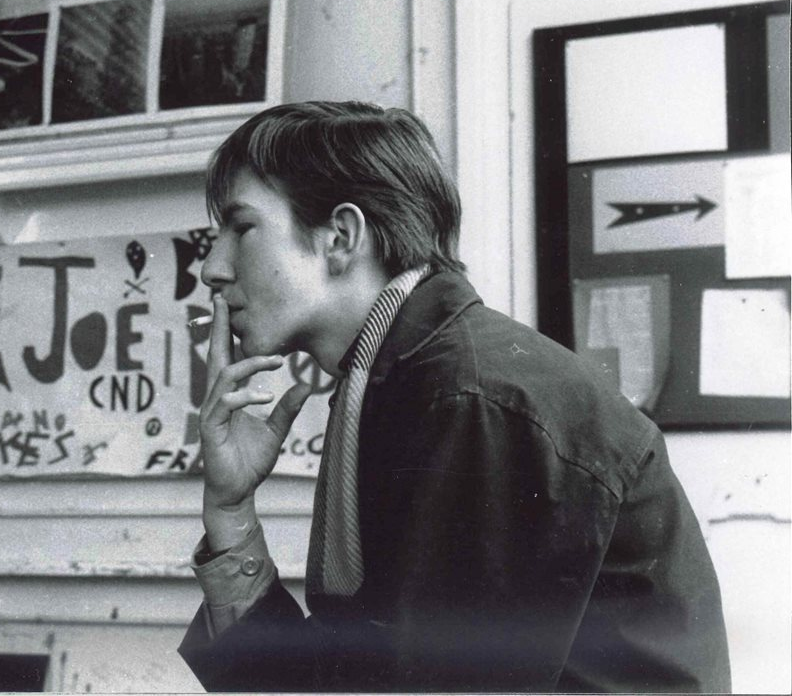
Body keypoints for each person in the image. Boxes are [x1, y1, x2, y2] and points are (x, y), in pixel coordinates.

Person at [178, 101, 730, 692]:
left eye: (240, 229)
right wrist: (232, 512)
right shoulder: (401, 380)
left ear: (341, 237)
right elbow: (352, 675)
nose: (212, 268)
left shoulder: (472, 402)